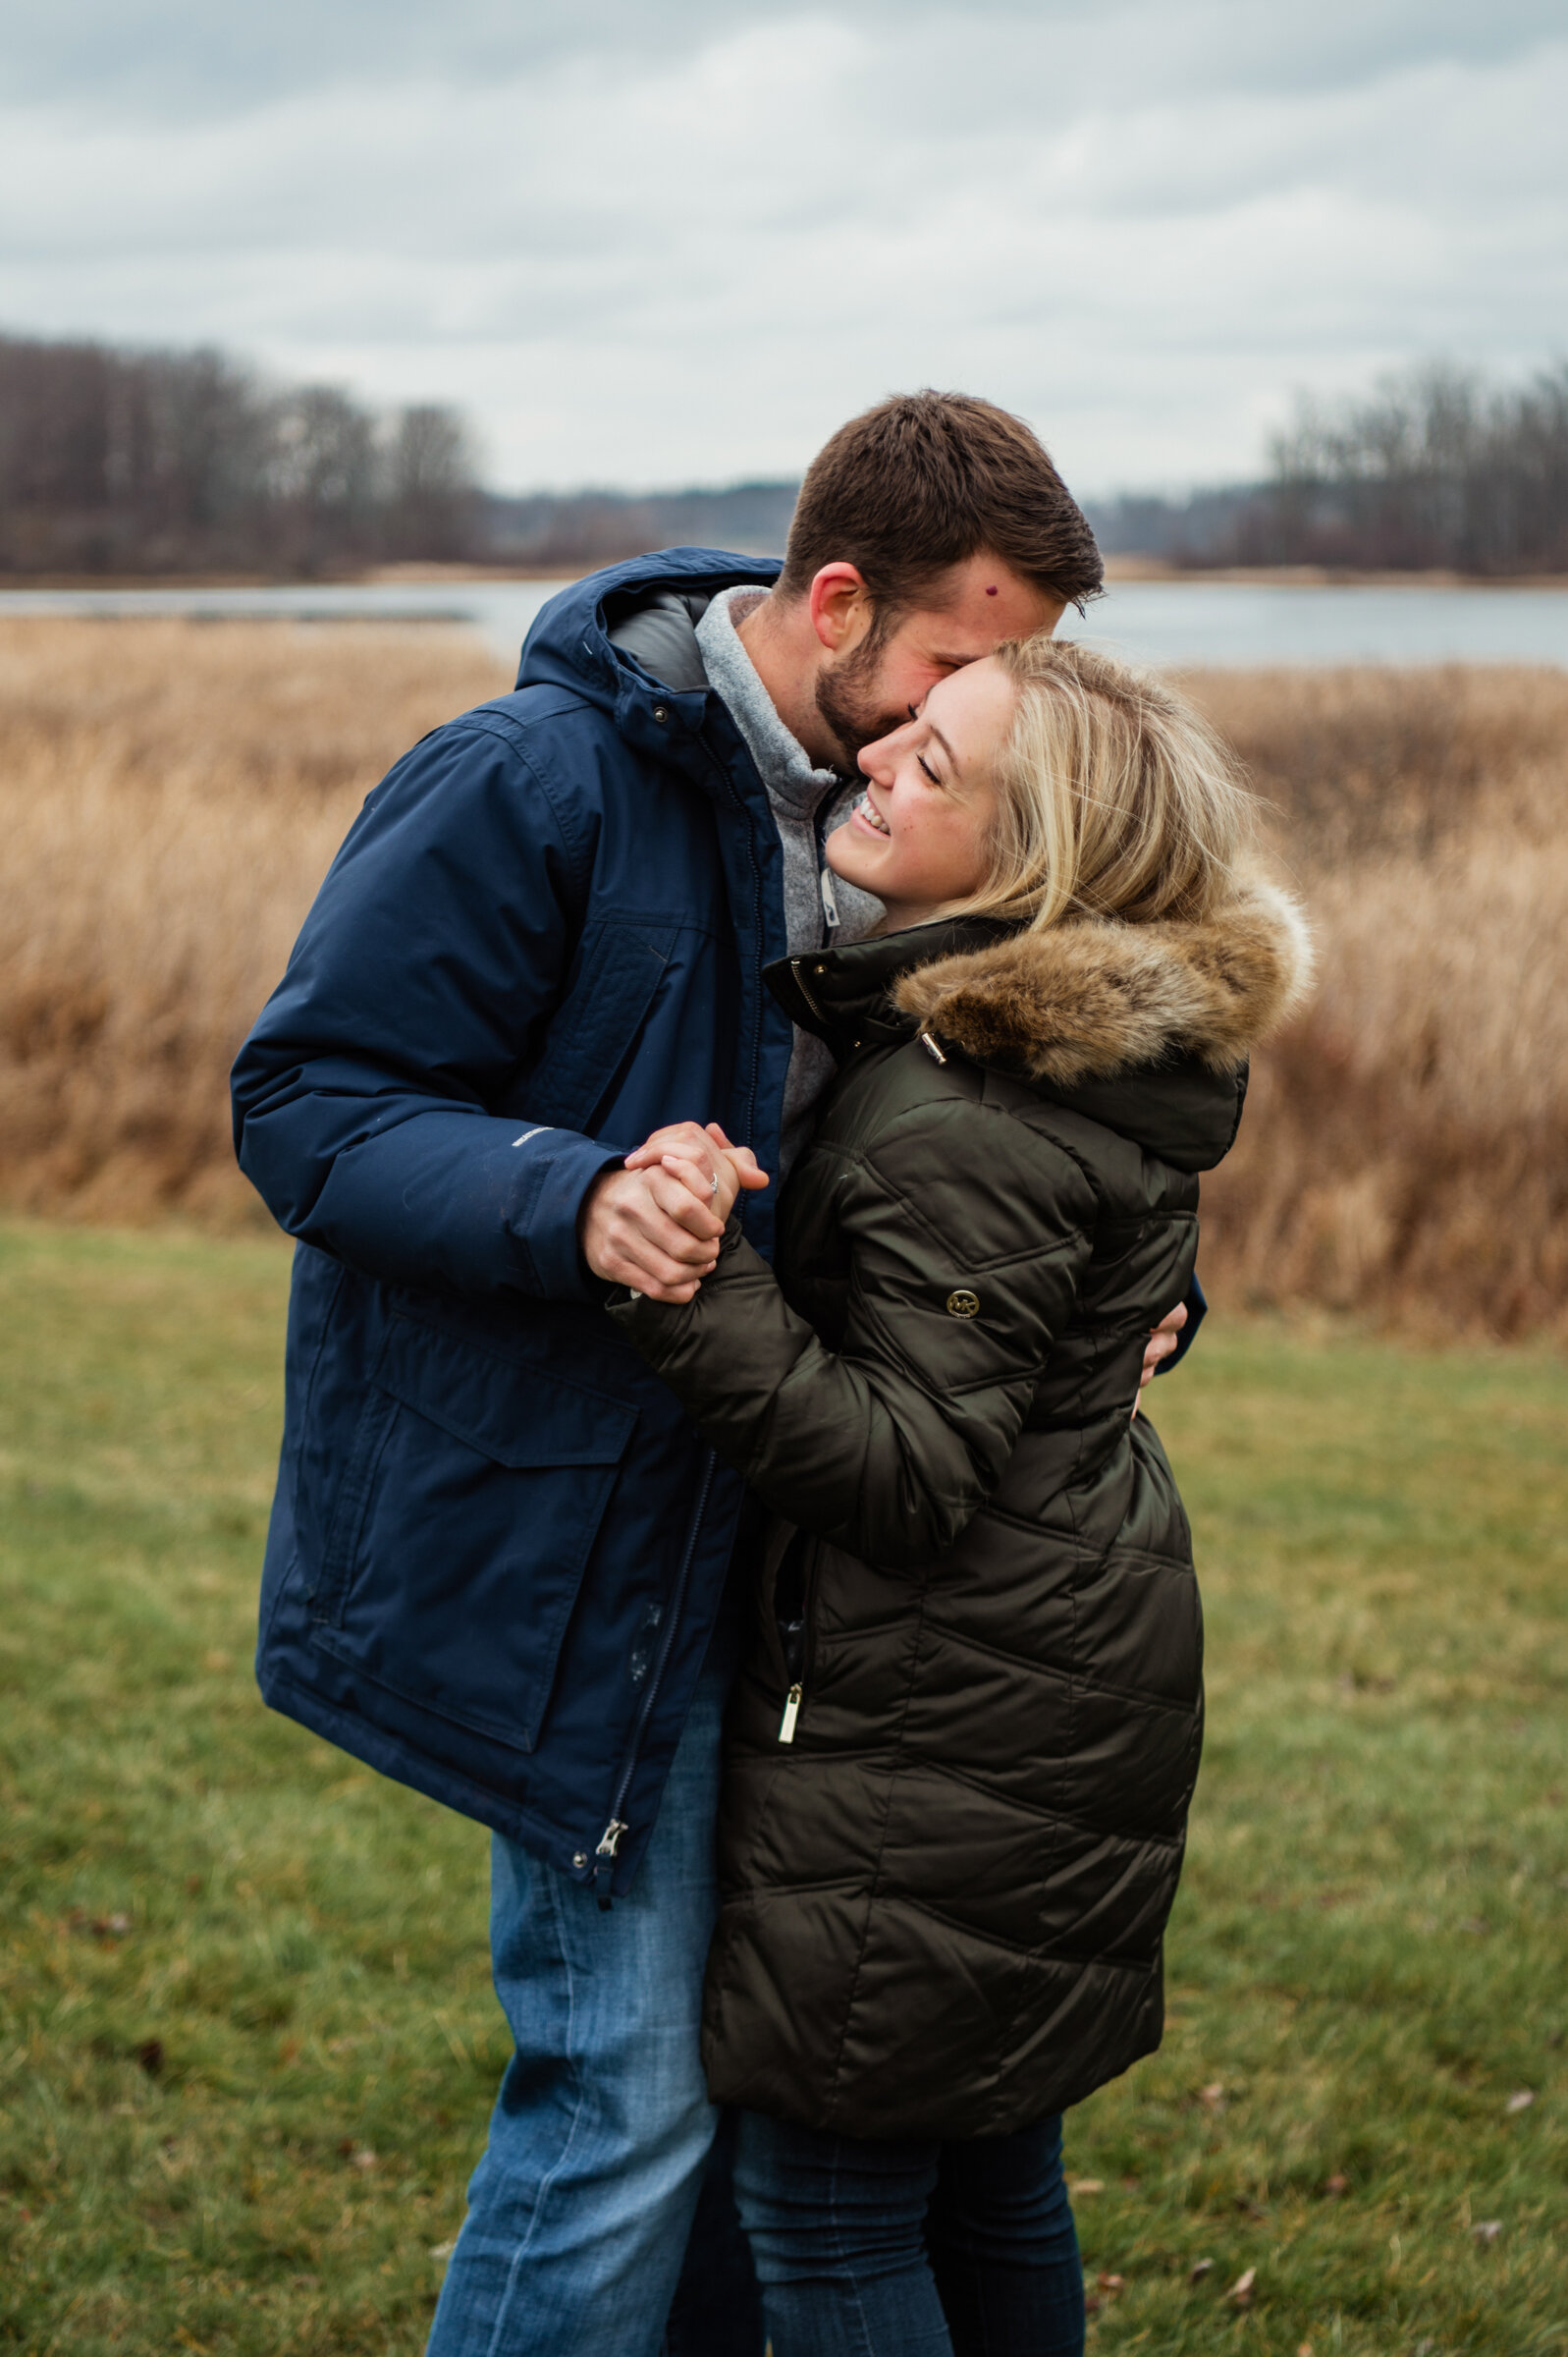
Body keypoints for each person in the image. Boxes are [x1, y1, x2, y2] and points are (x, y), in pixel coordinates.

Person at [230, 392, 1183, 2357]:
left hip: (822, 1579)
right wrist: (573, 1201)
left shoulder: (918, 801)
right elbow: (305, 1105)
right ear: (836, 600)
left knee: (773, 2100)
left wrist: (1136, 1302)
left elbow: (1009, 1138)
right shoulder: (529, 780)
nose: (985, 707)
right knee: (629, 2097)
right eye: (954, 660)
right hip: (586, 1552)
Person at [608, 635, 1312, 2355]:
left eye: (938, 766)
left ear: (1032, 862)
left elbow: (906, 1475)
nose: (878, 766)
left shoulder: (964, 1110)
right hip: (1048, 1657)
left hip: (948, 1705)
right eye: (905, 730)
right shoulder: (1044, 1065)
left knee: (829, 2215)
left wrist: (689, 1282)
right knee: (992, 2174)